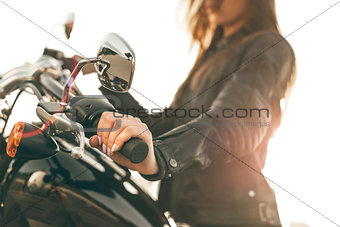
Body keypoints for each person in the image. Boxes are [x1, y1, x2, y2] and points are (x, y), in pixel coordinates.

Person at [90, 0, 296, 226]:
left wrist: (162, 156)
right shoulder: (212, 55)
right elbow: (165, 124)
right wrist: (105, 86)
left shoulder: (267, 45)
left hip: (236, 218)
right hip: (188, 216)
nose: (209, 2)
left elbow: (235, 120)